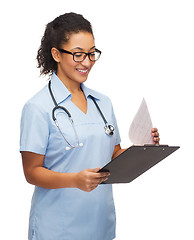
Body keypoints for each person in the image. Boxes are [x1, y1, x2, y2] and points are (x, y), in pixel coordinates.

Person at [20, 12, 160, 240]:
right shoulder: (38, 107)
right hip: (58, 228)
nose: (87, 62)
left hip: (100, 223)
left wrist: (143, 147)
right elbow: (32, 172)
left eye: (91, 53)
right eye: (78, 55)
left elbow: (112, 154)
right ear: (56, 53)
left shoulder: (103, 103)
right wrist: (74, 180)